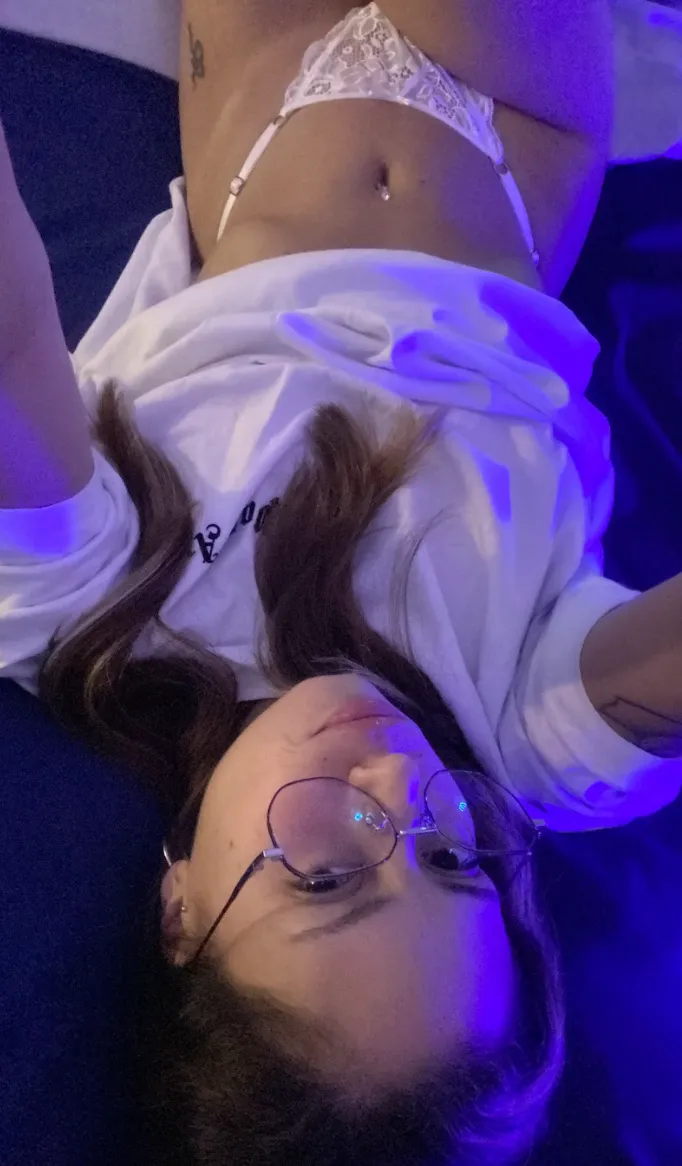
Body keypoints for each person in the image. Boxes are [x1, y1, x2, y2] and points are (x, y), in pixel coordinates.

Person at [1, 2, 681, 1164]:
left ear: (180, 914)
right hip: (506, 122)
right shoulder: (524, 733)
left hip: (261, 100)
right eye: (453, 860)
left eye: (323, 874)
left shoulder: (87, 626)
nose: (399, 785)